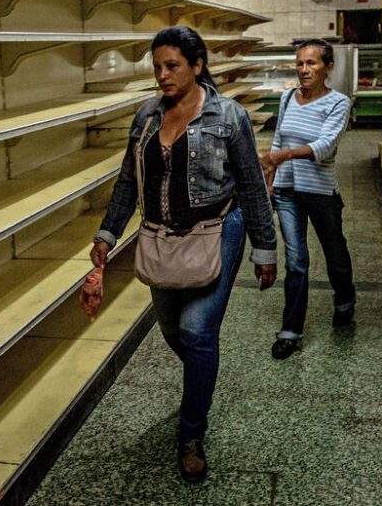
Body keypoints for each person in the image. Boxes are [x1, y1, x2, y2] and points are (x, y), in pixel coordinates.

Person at [90, 26, 278, 483]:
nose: (162, 75)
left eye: (172, 65)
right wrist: (108, 233)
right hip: (160, 238)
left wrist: (265, 248)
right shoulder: (146, 119)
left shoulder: (227, 115)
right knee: (176, 331)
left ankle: (191, 435)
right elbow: (128, 182)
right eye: (156, 66)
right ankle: (202, 373)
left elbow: (252, 184)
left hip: (218, 231)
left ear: (197, 65)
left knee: (196, 332)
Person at [259, 38, 356, 361]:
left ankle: (344, 300)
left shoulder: (338, 103)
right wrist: (272, 179)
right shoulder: (287, 97)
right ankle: (290, 331)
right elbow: (278, 140)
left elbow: (326, 147)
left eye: (311, 63)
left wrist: (282, 156)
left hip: (321, 192)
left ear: (328, 67)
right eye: (299, 63)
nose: (303, 70)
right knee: (296, 261)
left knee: (335, 255)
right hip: (288, 192)